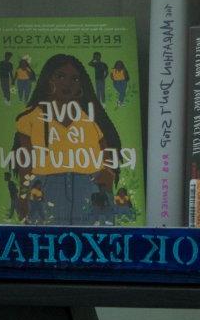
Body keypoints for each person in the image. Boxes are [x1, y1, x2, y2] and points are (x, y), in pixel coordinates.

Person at [11, 54, 121, 225]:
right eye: (60, 76)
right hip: (45, 189)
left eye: (75, 78)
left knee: (98, 242)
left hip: (90, 188)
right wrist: (23, 195)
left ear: (81, 85)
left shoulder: (91, 117)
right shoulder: (30, 118)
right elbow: (25, 162)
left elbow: (106, 149)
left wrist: (107, 176)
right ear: (48, 79)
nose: (67, 83)